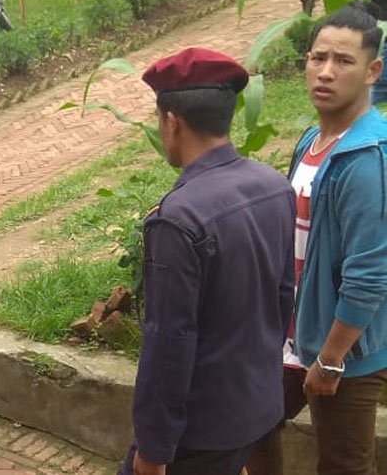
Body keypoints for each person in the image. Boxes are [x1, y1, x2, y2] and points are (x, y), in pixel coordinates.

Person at [120, 48, 296, 475]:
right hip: (257, 406)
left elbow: (168, 342)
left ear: (172, 121)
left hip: (200, 432)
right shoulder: (274, 185)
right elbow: (283, 299)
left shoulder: (177, 220)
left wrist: (152, 450)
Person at [249, 2, 387, 475]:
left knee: (344, 466)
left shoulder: (367, 158)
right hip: (294, 335)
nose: (326, 72)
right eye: (318, 58)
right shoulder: (312, 140)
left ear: (372, 71)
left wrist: (331, 359)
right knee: (249, 428)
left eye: (344, 61)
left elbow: (369, 274)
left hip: (344, 350)